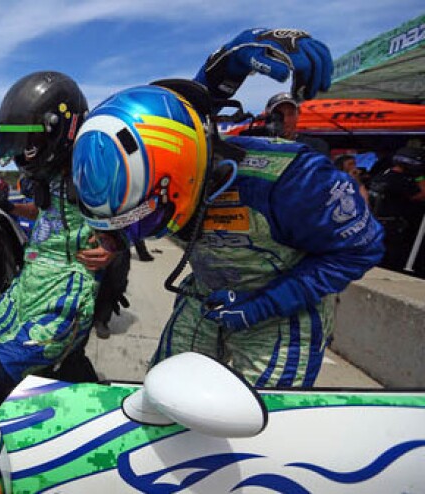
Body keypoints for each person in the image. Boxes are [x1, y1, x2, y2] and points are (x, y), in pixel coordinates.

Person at [72, 28, 384, 387]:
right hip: (207, 291)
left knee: (260, 421)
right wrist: (112, 241)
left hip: (281, 309)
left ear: (185, 177)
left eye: (144, 215)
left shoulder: (293, 180)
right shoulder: (175, 142)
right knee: (163, 390)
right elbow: (184, 108)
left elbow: (361, 249)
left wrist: (262, 305)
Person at [0, 71, 117, 404]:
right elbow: (45, 212)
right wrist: (11, 209)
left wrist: (114, 248)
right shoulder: (41, 174)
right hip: (30, 281)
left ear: (57, 131)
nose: (21, 152)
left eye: (28, 142)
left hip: (66, 292)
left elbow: (132, 218)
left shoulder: (94, 172)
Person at [368, 146, 425, 276]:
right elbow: (422, 194)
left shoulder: (383, 174)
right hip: (393, 228)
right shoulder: (399, 180)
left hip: (378, 224)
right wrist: (419, 177)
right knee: (393, 263)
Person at [263, 92, 330, 155]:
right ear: (269, 118)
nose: (285, 120)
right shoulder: (261, 145)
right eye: (279, 115)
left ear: (298, 115)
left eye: (290, 114)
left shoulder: (315, 145)